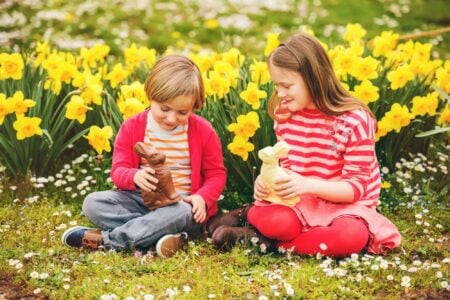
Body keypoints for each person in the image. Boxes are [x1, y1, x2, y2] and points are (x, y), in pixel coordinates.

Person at [207, 32, 401, 257]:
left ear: (313, 78)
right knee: (278, 223)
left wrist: (307, 185)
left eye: (286, 85)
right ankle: (250, 216)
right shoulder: (287, 115)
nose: (280, 93)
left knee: (350, 238)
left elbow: (355, 189)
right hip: (299, 202)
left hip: (346, 208)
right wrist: (265, 183)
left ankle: (263, 241)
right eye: (276, 85)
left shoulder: (354, 121)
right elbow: (287, 170)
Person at [62, 55, 227, 257]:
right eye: (164, 109)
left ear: (195, 104)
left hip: (183, 208)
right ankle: (160, 235)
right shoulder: (132, 127)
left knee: (181, 212)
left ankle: (108, 241)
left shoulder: (203, 130)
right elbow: (118, 171)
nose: (171, 118)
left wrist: (202, 197)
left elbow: (216, 174)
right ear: (151, 96)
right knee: (92, 203)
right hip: (141, 201)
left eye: (182, 112)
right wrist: (134, 177)